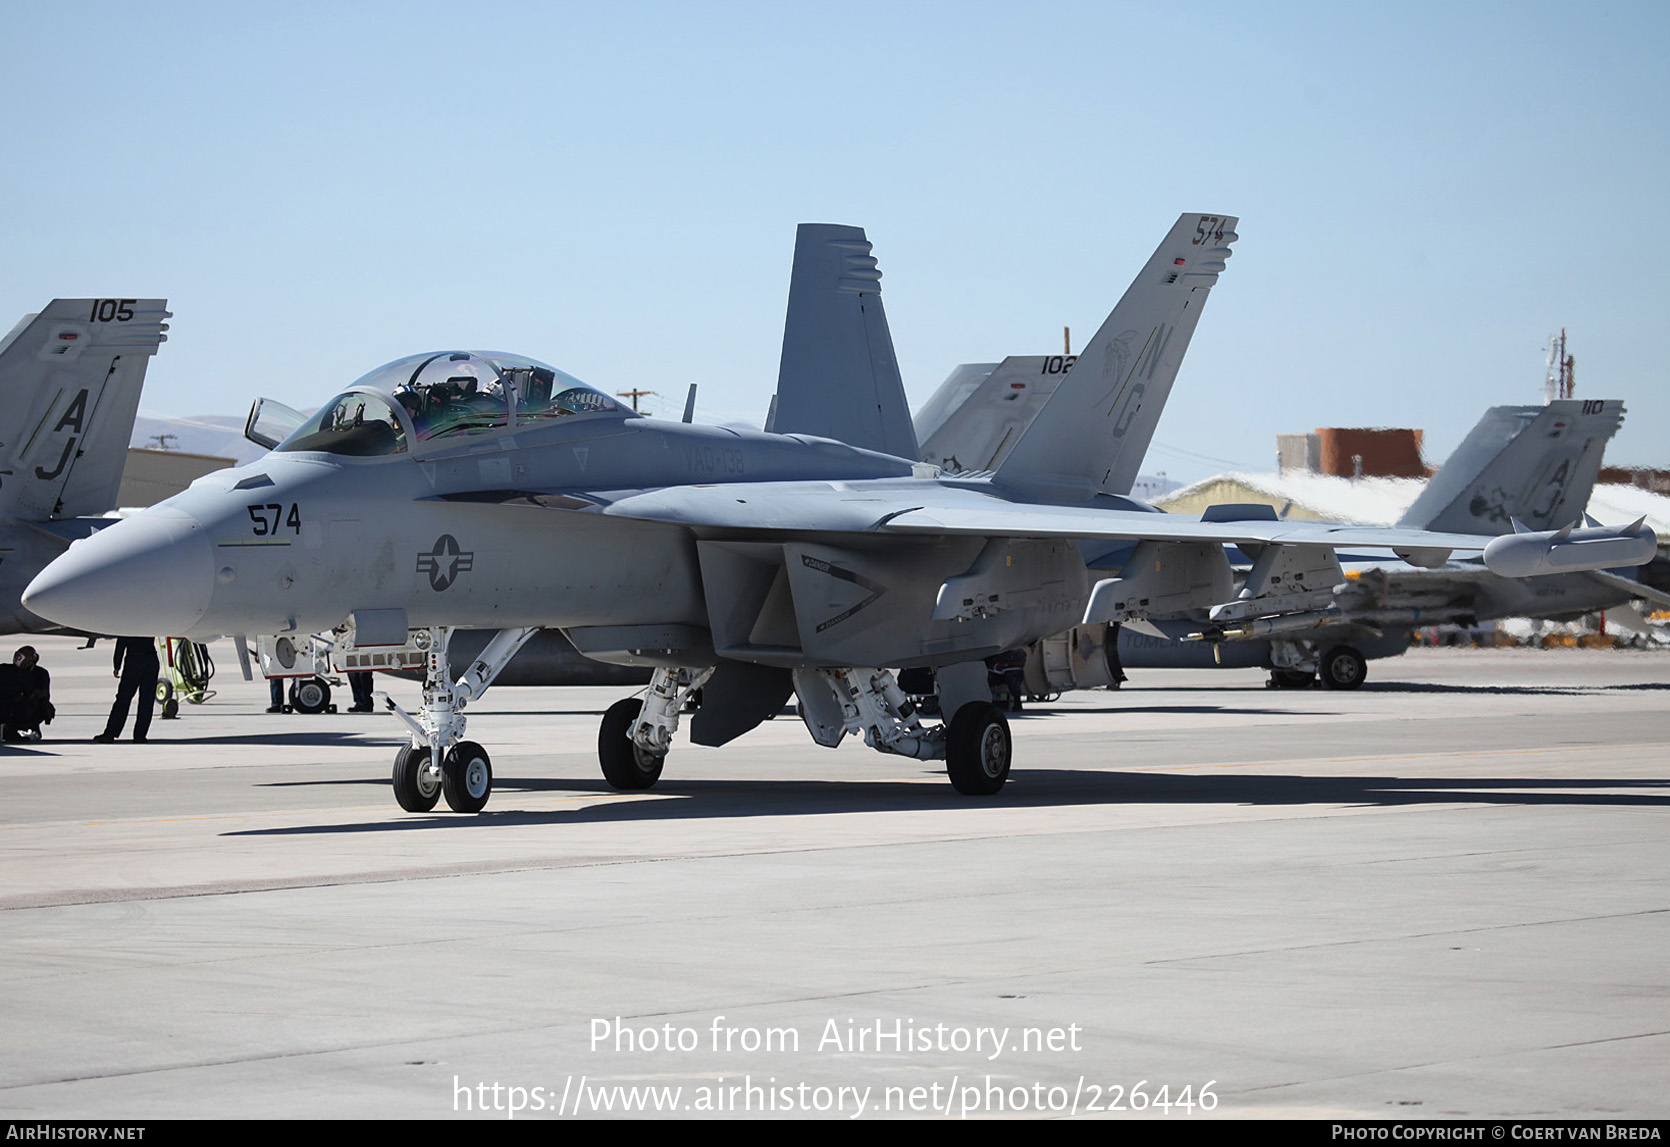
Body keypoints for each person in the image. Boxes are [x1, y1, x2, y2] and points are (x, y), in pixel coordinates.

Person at [95, 636, 159, 743]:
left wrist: (117, 665)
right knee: (146, 701)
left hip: (134, 660)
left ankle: (110, 733)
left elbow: (121, 643)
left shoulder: (129, 621)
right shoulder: (148, 620)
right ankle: (140, 735)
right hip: (151, 659)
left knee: (123, 698)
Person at [0, 646, 54, 741]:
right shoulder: (6, 671)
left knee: (33, 705)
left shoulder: (40, 674)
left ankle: (29, 728)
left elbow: (39, 694)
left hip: (25, 707)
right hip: (8, 707)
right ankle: (9, 729)